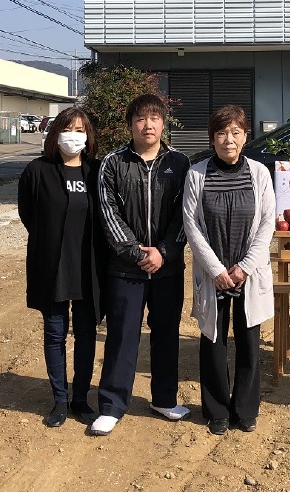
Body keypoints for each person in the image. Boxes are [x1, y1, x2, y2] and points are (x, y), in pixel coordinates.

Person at [89, 93, 191, 436]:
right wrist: (136, 253)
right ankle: (112, 404)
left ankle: (163, 398)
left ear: (163, 123)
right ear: (130, 125)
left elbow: (184, 217)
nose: (147, 125)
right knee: (122, 335)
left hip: (168, 268)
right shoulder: (113, 163)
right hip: (125, 268)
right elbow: (108, 214)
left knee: (166, 333)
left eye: (154, 118)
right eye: (140, 119)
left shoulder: (180, 164)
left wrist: (163, 251)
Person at [183, 105, 276, 436]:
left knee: (249, 341)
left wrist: (245, 267)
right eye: (221, 133)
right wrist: (216, 269)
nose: (228, 139)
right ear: (212, 138)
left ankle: (246, 409)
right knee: (214, 340)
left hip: (247, 273)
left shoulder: (260, 173)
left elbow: (267, 223)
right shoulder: (196, 174)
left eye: (235, 132)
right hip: (214, 274)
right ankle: (217, 409)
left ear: (245, 136)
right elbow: (191, 225)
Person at [18, 107, 105, 428]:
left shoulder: (97, 172)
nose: (74, 135)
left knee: (85, 334)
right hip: (52, 265)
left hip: (88, 267)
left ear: (88, 136)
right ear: (56, 133)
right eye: (68, 129)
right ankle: (59, 400)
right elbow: (29, 214)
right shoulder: (37, 171)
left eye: (81, 130)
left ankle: (80, 398)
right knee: (54, 333)